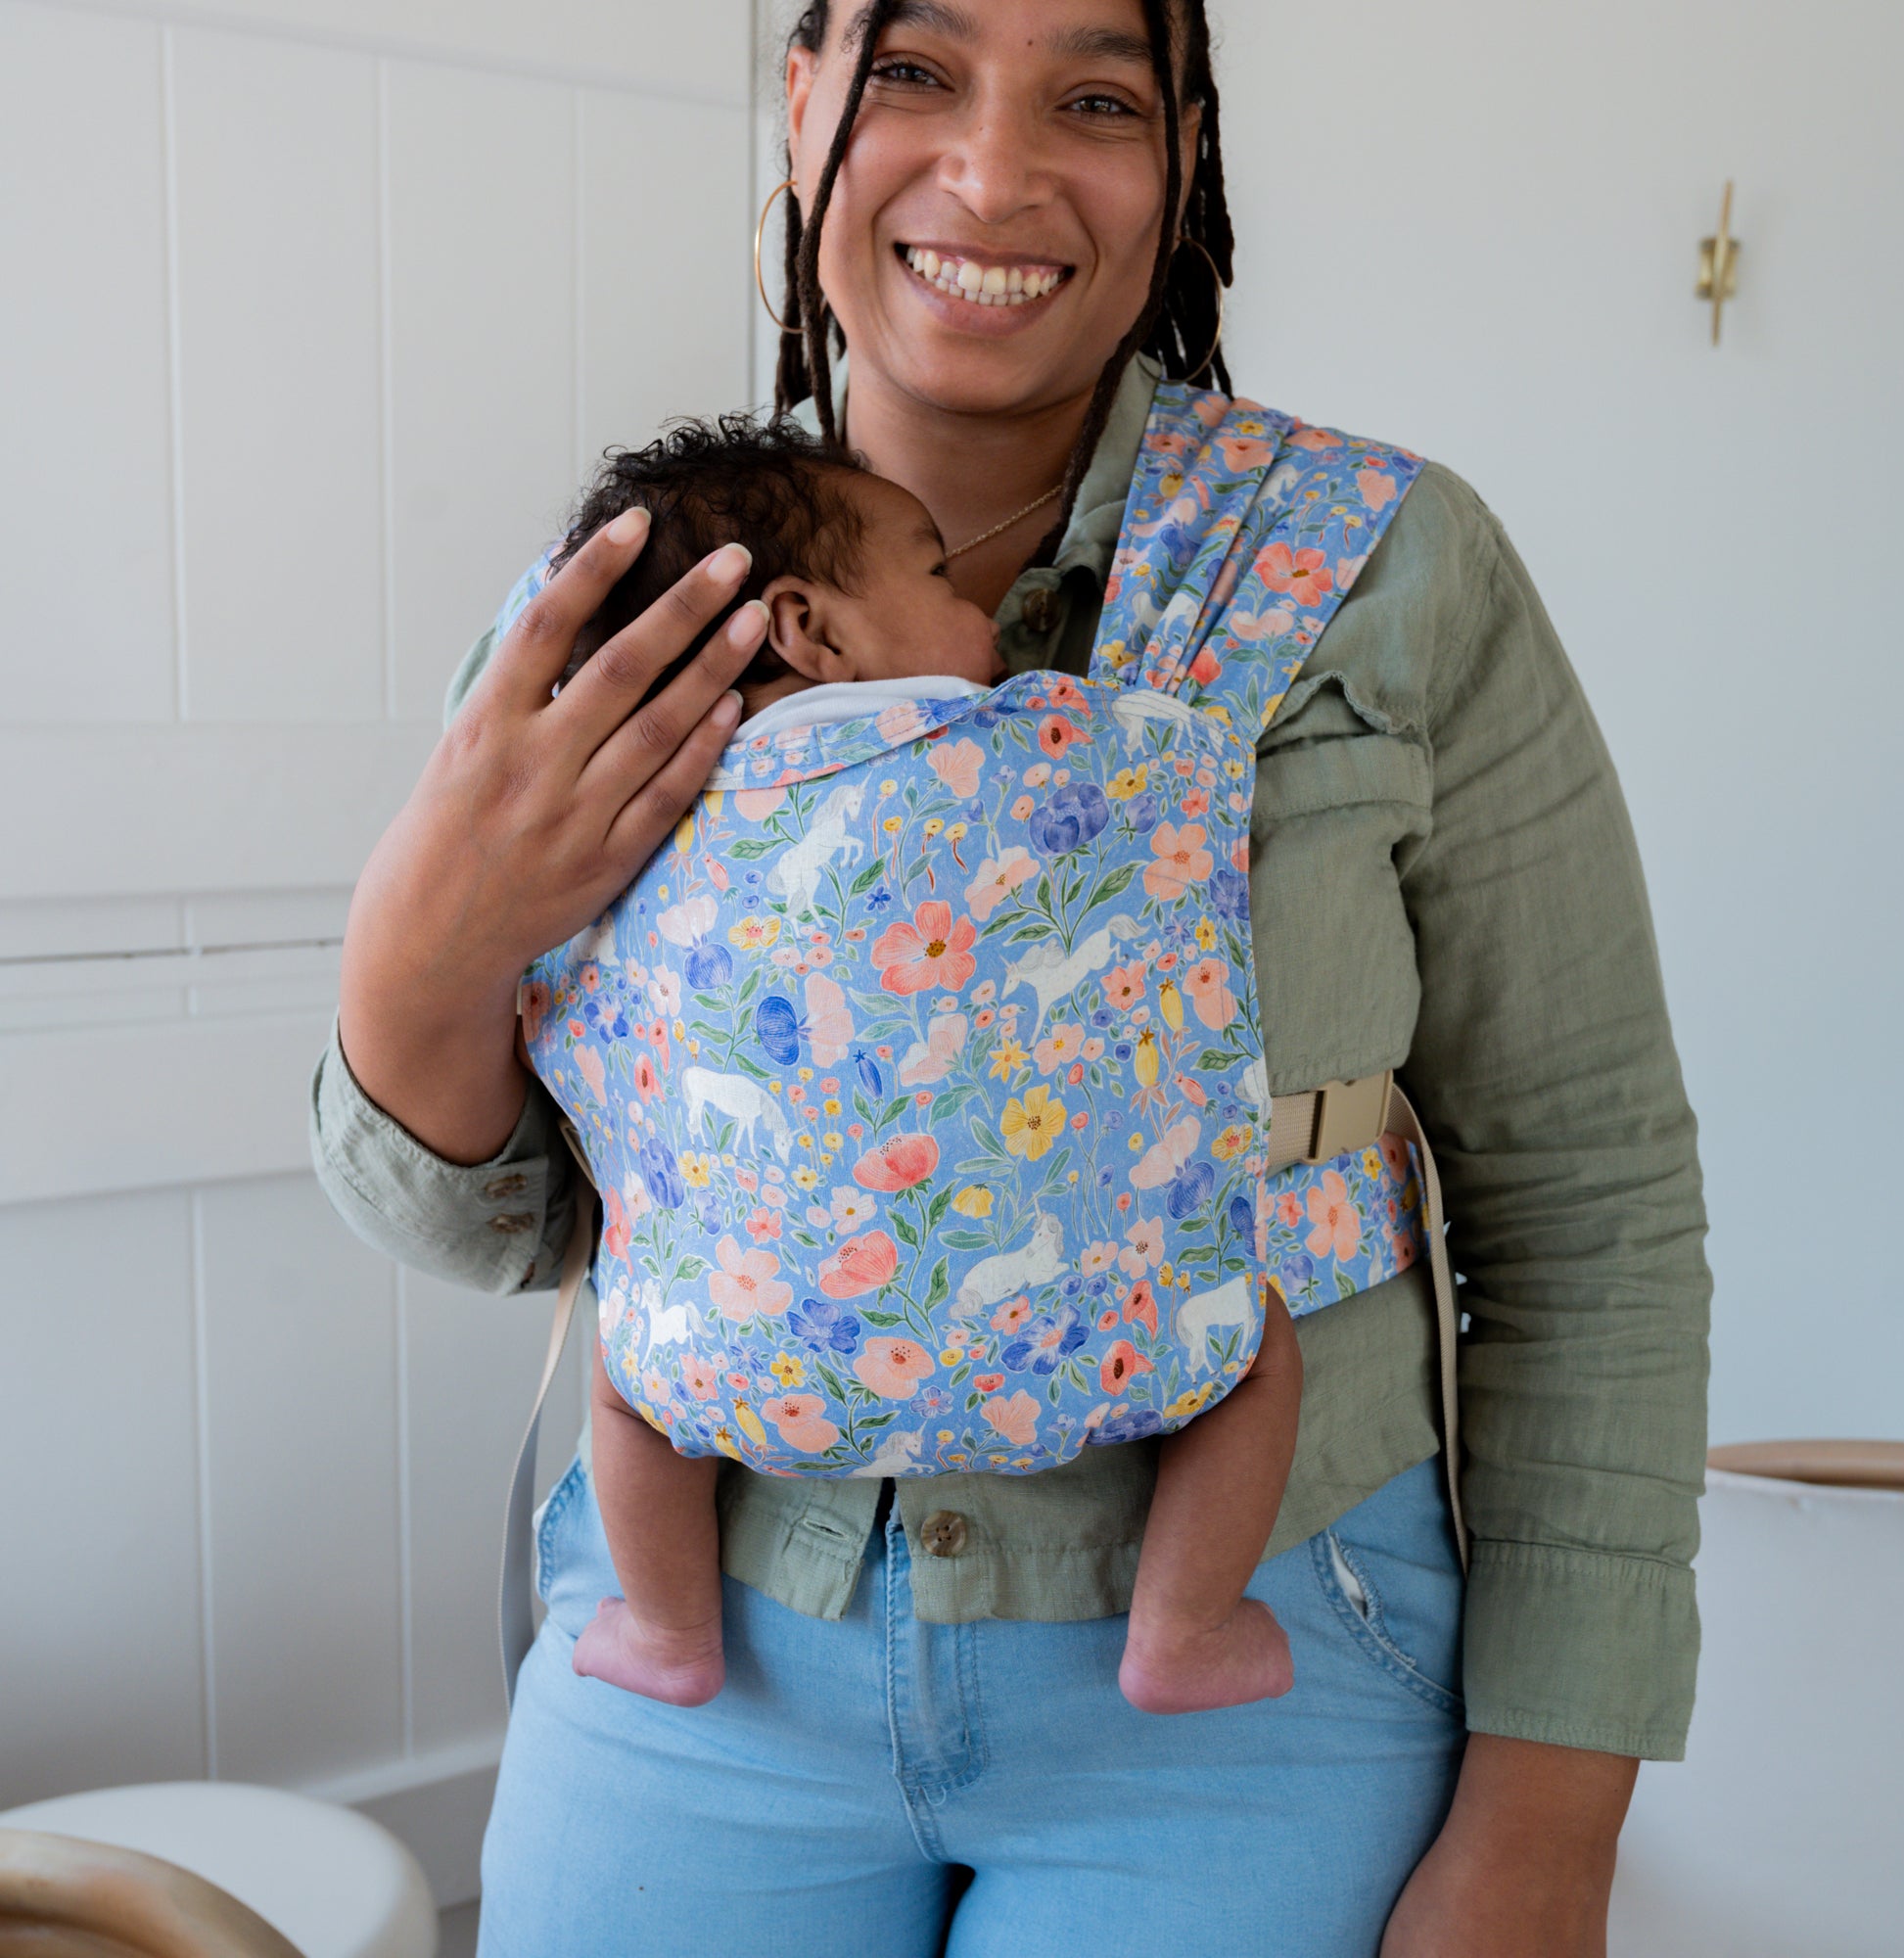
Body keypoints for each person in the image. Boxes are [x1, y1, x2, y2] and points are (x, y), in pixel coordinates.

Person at [313, 2, 1711, 1952]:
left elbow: (1592, 1207)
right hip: (706, 1658)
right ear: (801, 98)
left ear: (1185, 154)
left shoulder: (1381, 572)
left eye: (1098, 97)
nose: (992, 173)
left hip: (1266, 1659)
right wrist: (413, 947)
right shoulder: (631, 608)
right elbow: (506, 1226)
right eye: (912, 71)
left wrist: (1553, 1816)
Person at [534, 413, 1306, 1718]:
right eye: (938, 575)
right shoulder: (1032, 738)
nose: (982, 615)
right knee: (1258, 1350)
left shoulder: (626, 803)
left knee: (627, 1376)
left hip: (738, 1333)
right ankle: (1185, 1629)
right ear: (809, 627)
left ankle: (668, 1631)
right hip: (1089, 1320)